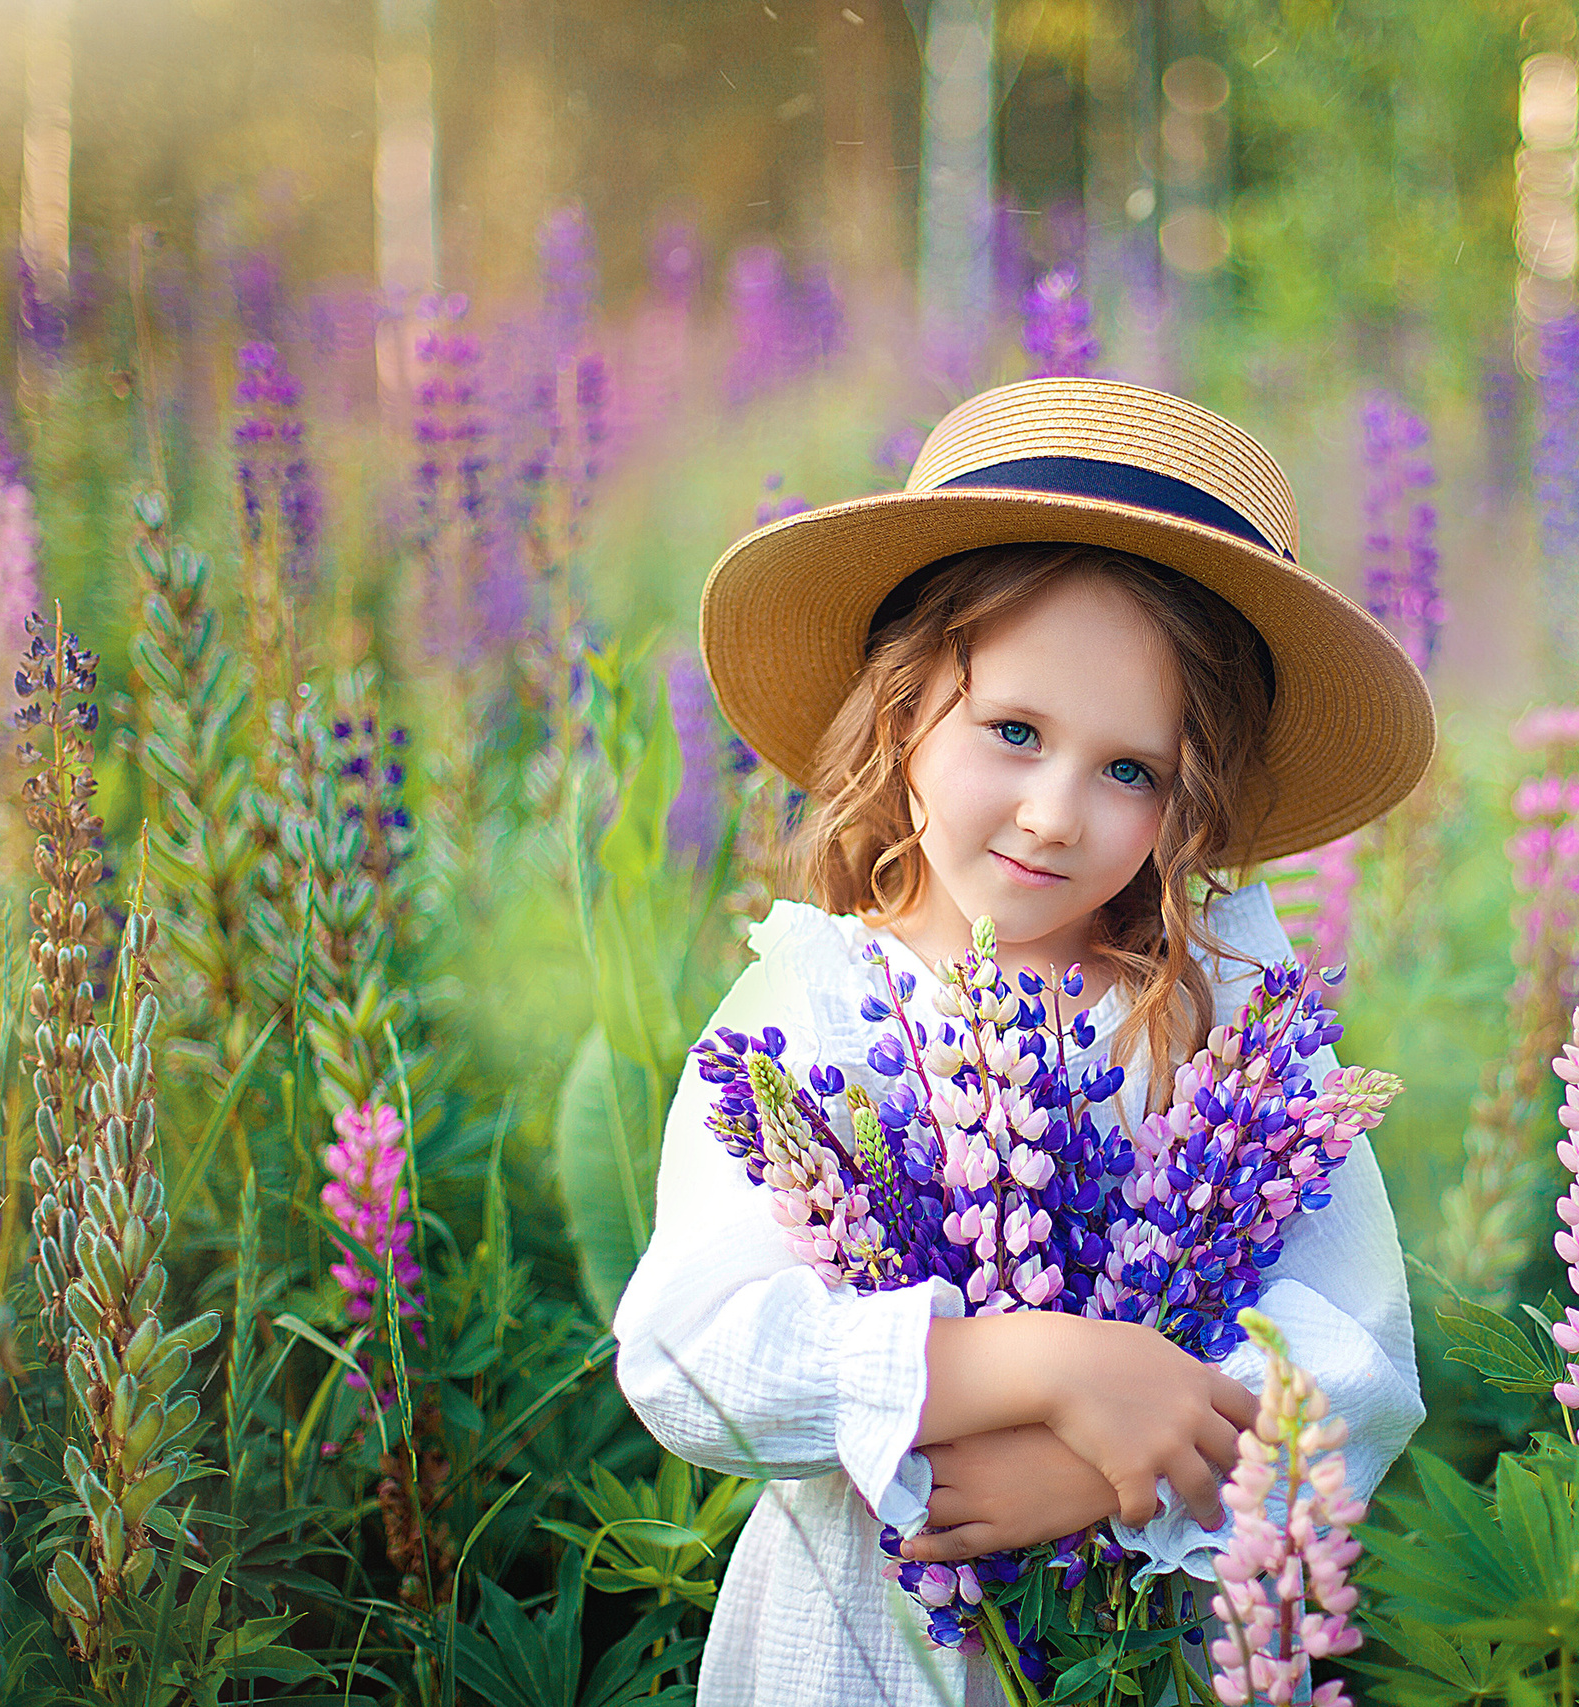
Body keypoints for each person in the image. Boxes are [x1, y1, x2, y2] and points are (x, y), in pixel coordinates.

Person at [613, 377, 1432, 1705]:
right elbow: (692, 1361)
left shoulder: (1225, 1021)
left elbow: (1357, 1364)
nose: (1056, 812)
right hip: (860, 1652)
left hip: (1145, 1645)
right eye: (1014, 732)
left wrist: (1100, 1472)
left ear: (1193, 798)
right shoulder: (809, 1007)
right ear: (901, 715)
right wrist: (1043, 1366)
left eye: (1130, 770)